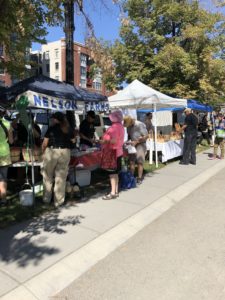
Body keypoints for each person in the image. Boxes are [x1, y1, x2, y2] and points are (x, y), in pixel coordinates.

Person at [42, 112, 75, 208]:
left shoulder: (52, 128)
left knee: (47, 176)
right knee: (61, 178)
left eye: (53, 118)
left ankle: (46, 199)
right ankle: (59, 201)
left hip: (52, 152)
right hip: (65, 152)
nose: (52, 120)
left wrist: (42, 153)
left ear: (56, 119)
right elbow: (73, 141)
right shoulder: (68, 129)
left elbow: (45, 143)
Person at [99, 111, 124, 200]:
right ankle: (116, 191)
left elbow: (113, 141)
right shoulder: (121, 126)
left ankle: (112, 192)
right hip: (119, 152)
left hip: (112, 152)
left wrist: (104, 141)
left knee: (112, 173)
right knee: (115, 173)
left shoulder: (114, 127)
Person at [123, 116, 148, 184]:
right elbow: (129, 135)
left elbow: (146, 136)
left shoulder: (140, 124)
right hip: (132, 145)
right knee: (131, 161)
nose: (128, 126)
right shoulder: (129, 126)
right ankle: (131, 177)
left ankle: (139, 178)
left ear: (131, 121)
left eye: (128, 125)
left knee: (140, 161)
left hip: (141, 144)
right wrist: (128, 141)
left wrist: (136, 142)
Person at [0, 110, 13, 205]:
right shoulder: (7, 124)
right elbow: (11, 141)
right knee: (3, 178)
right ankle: (3, 200)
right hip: (4, 153)